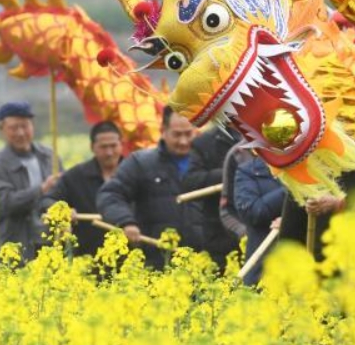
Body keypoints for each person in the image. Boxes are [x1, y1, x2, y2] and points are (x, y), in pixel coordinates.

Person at [97, 106, 203, 267]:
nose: (183, 141)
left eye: (188, 134)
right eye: (177, 134)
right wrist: (126, 222)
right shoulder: (141, 163)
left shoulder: (208, 161)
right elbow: (110, 195)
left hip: (203, 261)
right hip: (156, 261)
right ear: (163, 130)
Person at [0, 101, 63, 263]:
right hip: (14, 243)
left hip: (48, 241)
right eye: (13, 128)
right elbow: (3, 203)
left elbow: (64, 193)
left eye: (25, 126)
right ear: (2, 130)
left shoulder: (49, 157)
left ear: (32, 126)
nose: (20, 133)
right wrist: (41, 189)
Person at [41, 121, 123, 256]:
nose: (109, 152)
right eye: (103, 147)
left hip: (127, 259)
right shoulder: (76, 176)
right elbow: (47, 200)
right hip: (86, 258)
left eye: (113, 146)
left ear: (121, 145)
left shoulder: (134, 173)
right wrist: (63, 210)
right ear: (92, 147)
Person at [185, 126, 243, 269]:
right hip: (219, 233)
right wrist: (228, 173)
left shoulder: (264, 135)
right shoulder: (204, 142)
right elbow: (191, 181)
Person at [234, 156, 286, 285]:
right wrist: (290, 189)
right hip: (262, 267)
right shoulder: (250, 170)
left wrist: (289, 220)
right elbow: (252, 212)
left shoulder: (313, 165)